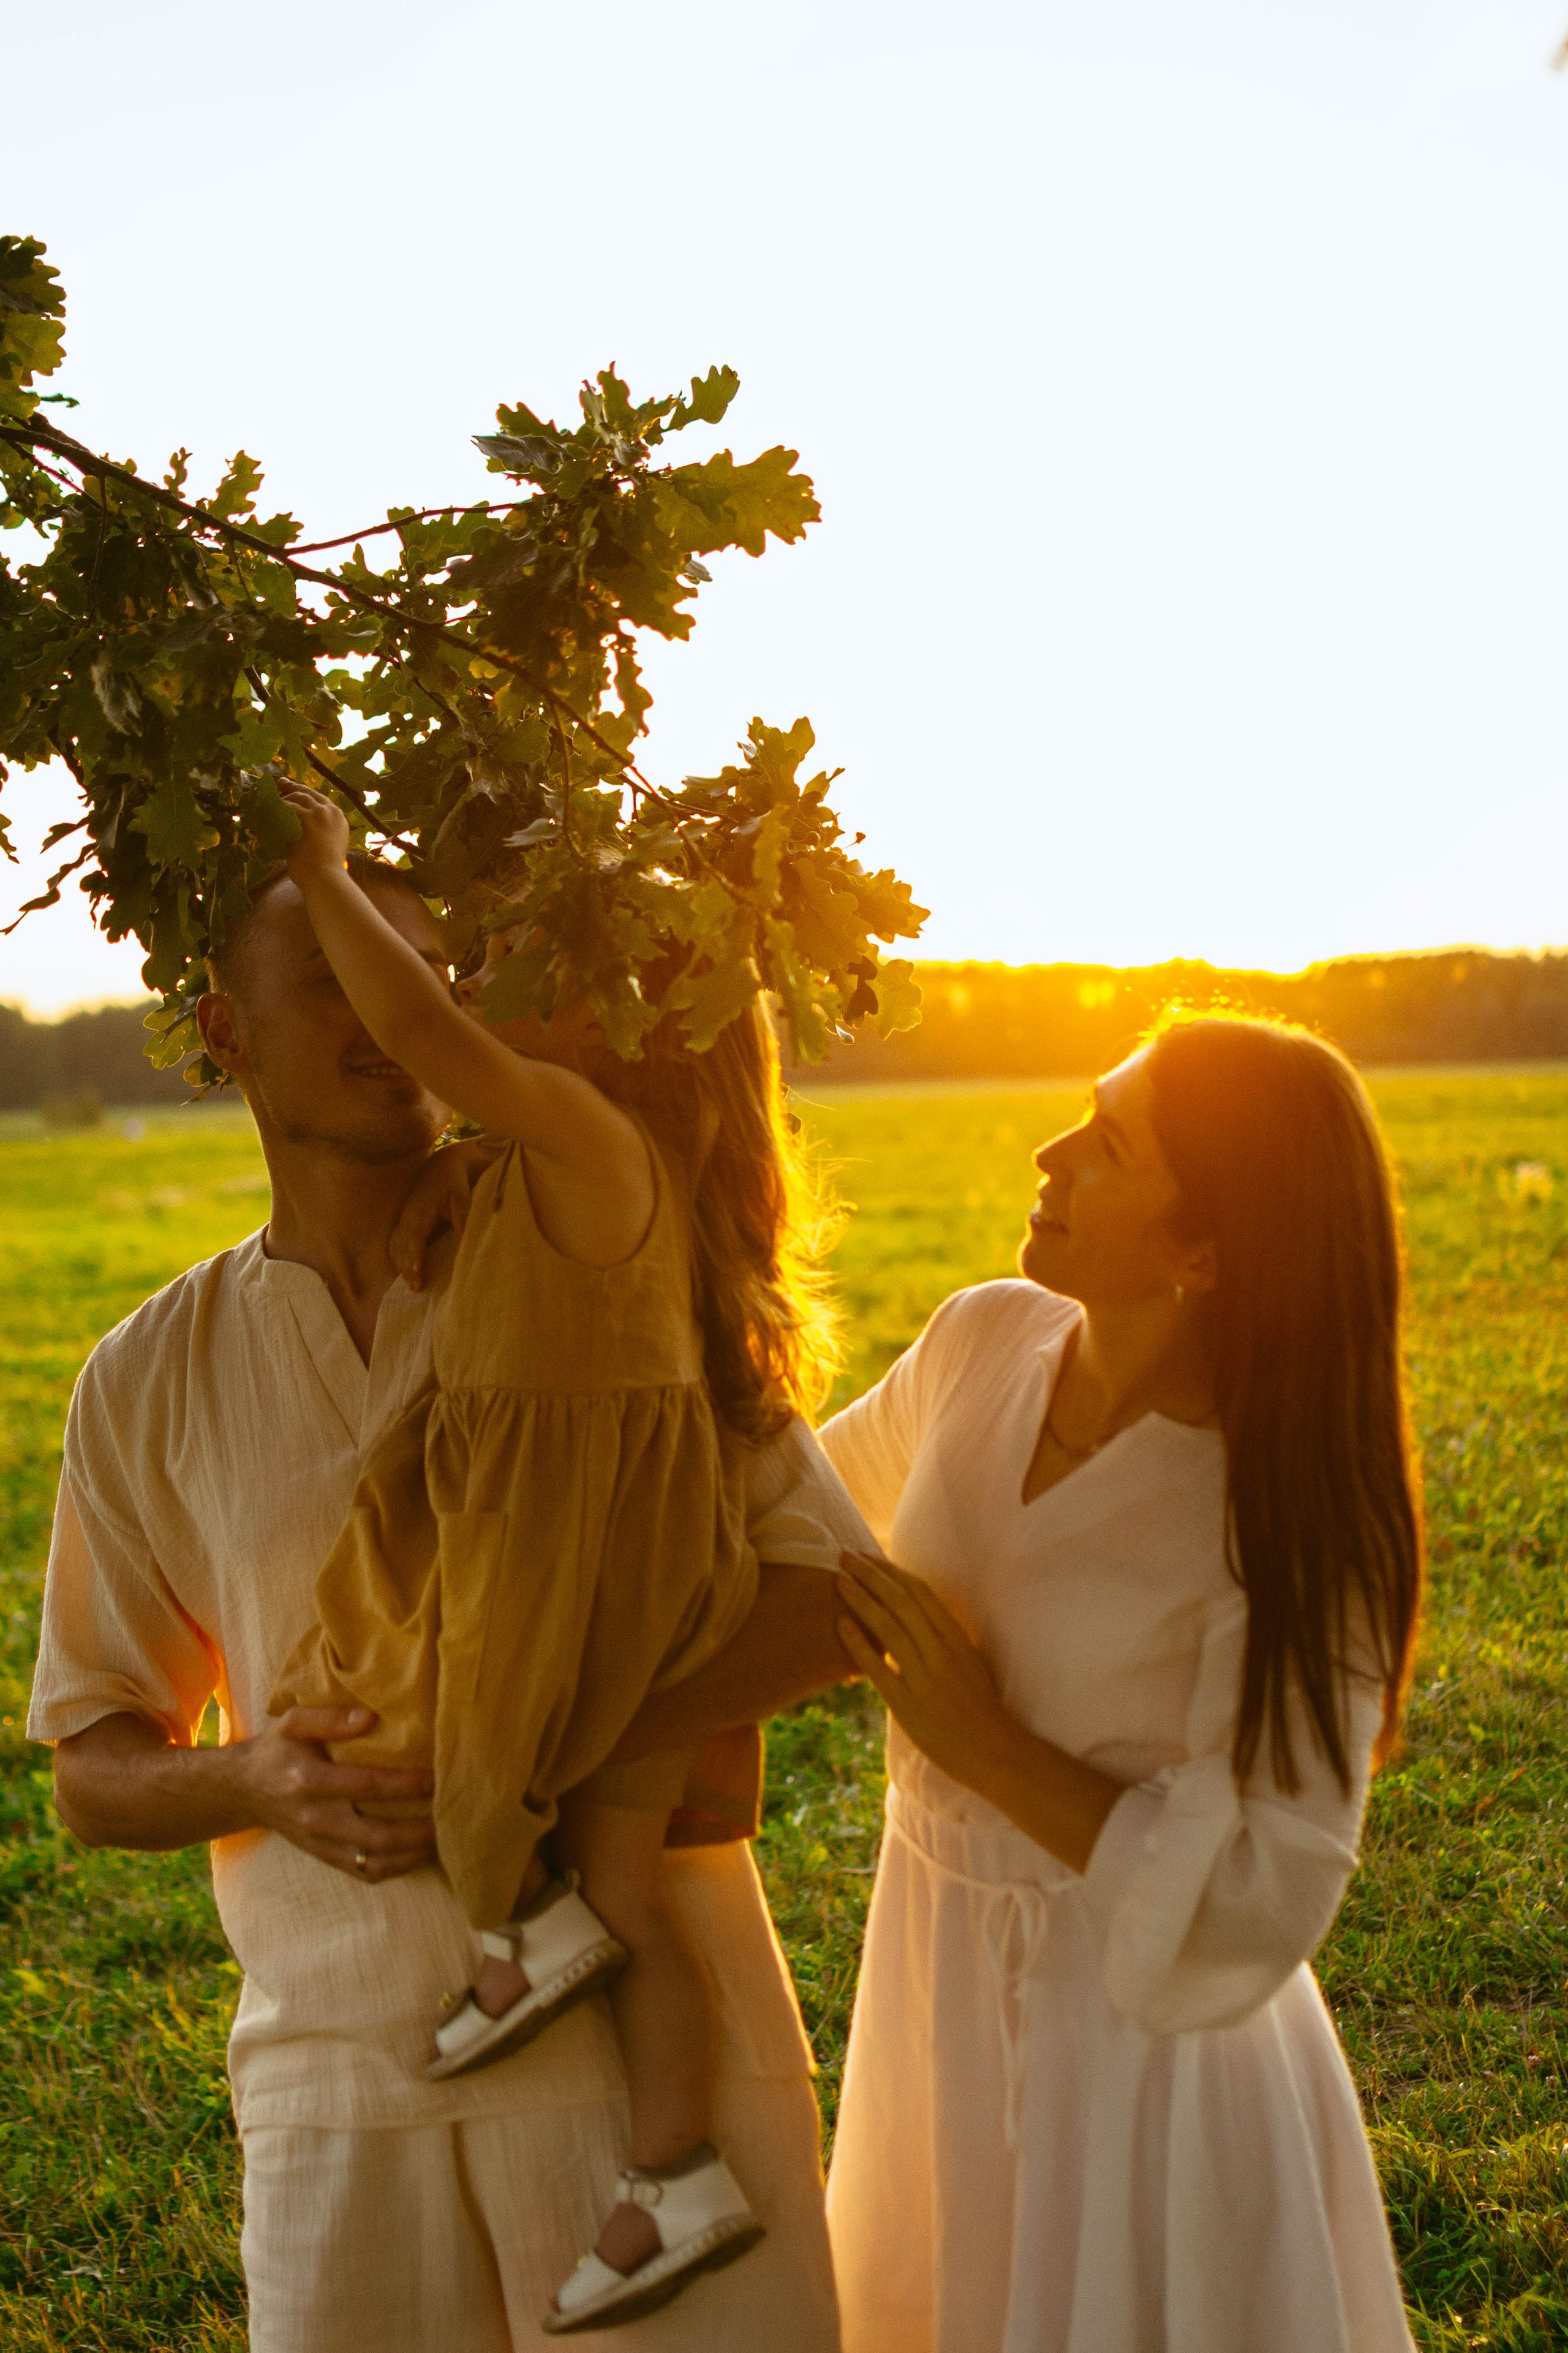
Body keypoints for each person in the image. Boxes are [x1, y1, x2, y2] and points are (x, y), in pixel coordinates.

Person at [27, 848, 866, 2353]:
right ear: (224, 1031)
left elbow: (835, 1595)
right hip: (342, 2094)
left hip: (658, 2084)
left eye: (426, 977)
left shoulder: (591, 1262)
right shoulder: (143, 1375)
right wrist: (256, 1778)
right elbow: (92, 1767)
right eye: (341, 977)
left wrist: (540, 1746)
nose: (392, 1012)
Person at [265, 781, 835, 2330]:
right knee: (634, 1898)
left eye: (531, 976)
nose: (479, 996)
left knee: (484, 1764)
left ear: (623, 1034)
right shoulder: (554, 1158)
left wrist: (326, 876)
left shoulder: (586, 1135)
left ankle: (523, 1934)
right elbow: (475, 1104)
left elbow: (445, 1051)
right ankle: (672, 2178)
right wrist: (460, 1166)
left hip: (595, 1584)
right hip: (632, 1577)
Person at [819, 1013, 1423, 2353]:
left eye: (1104, 1146)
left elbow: (1271, 1888)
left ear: (1201, 1248)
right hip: (934, 1997)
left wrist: (985, 1747)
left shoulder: (1280, 1525)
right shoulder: (980, 1343)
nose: (1047, 1151)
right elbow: (801, 1508)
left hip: (1146, 2071)